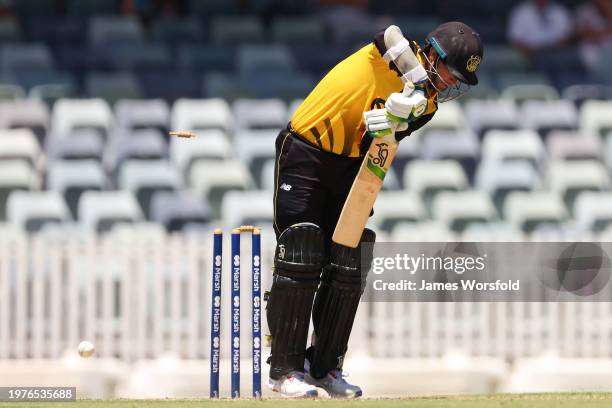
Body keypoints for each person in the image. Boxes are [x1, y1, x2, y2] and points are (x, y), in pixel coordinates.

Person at [266, 21, 483, 398]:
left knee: (348, 262)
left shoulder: (427, 106)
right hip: (307, 151)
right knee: (301, 252)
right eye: (450, 73)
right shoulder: (394, 54)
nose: (450, 84)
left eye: (457, 80)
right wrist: (414, 83)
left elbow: (379, 143)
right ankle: (284, 369)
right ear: (433, 54)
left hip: (351, 165)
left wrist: (393, 123)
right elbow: (388, 32)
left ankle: (325, 368)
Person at [507, 0, 573, 62]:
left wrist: (553, 50)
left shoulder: (560, 12)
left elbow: (566, 37)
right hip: (530, 52)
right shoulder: (520, 12)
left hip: (555, 52)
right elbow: (515, 39)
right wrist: (529, 52)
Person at [576, 0, 612, 72]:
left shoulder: (609, 9)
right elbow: (579, 32)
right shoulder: (584, 10)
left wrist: (607, 9)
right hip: (592, 47)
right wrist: (598, 34)